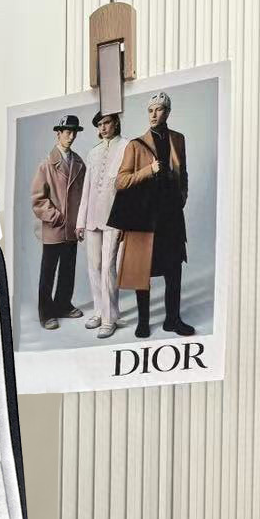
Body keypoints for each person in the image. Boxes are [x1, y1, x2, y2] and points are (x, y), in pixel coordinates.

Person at [108, 90, 194, 339]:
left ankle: (173, 320)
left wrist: (181, 198)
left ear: (168, 112)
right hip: (144, 216)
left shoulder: (178, 139)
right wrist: (149, 169)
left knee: (174, 269)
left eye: (159, 110)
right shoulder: (135, 145)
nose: (154, 115)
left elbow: (183, 173)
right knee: (142, 268)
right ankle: (143, 322)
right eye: (150, 110)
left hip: (170, 215)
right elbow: (121, 181)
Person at [30, 113, 86, 330]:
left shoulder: (79, 163)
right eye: (67, 132)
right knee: (48, 271)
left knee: (68, 269)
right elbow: (38, 199)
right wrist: (56, 216)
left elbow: (84, 195)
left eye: (74, 133)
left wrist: (80, 221)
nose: (71, 137)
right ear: (58, 134)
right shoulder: (46, 164)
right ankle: (46, 313)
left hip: (72, 228)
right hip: (54, 227)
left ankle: (63, 305)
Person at [75, 110, 127, 338]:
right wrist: (80, 222)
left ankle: (109, 318)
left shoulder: (127, 146)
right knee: (94, 266)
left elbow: (129, 189)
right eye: (99, 125)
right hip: (92, 218)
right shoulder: (93, 152)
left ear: (115, 123)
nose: (103, 128)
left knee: (108, 267)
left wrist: (125, 220)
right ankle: (99, 311)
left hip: (114, 217)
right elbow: (86, 189)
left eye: (106, 123)